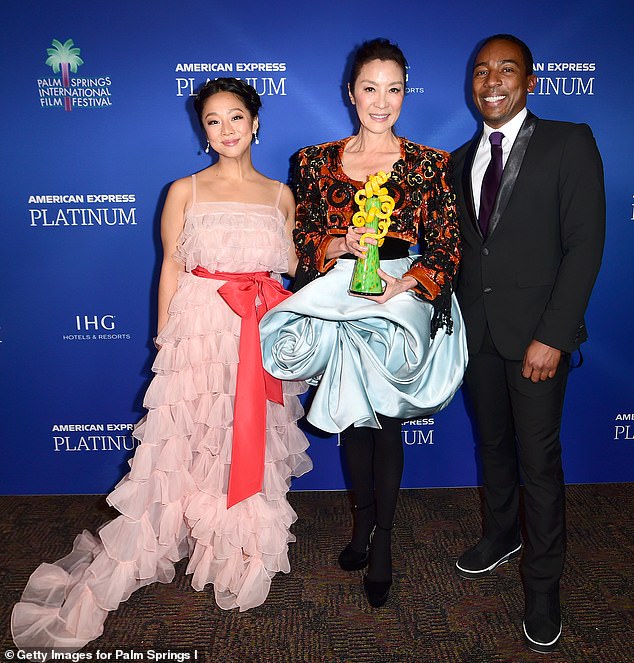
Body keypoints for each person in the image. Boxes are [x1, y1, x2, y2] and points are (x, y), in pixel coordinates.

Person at [12, 78, 312, 651]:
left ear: (256, 123)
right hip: (200, 328)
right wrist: (165, 339)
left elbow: (288, 267)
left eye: (236, 118)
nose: (226, 130)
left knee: (248, 435)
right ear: (204, 133)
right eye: (213, 121)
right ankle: (180, 535)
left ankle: (240, 547)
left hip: (259, 327)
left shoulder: (280, 194)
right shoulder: (184, 190)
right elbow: (172, 268)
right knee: (194, 436)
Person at [260, 38, 467, 609]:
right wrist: (339, 241)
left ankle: (383, 541)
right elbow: (299, 241)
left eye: (393, 89)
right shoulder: (312, 161)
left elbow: (448, 245)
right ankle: (361, 525)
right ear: (351, 93)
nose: (382, 101)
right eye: (370, 88)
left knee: (387, 421)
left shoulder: (429, 163)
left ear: (406, 93)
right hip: (337, 294)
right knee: (353, 420)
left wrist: (408, 284)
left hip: (397, 299)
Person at [451, 34, 605, 653]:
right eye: (482, 69)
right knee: (493, 448)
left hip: (539, 340)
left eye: (506, 69)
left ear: (531, 81)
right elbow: (464, 254)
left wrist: (553, 335)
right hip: (477, 336)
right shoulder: (459, 159)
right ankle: (502, 534)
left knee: (538, 464)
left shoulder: (570, 142)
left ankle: (543, 588)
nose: (492, 79)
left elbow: (585, 246)